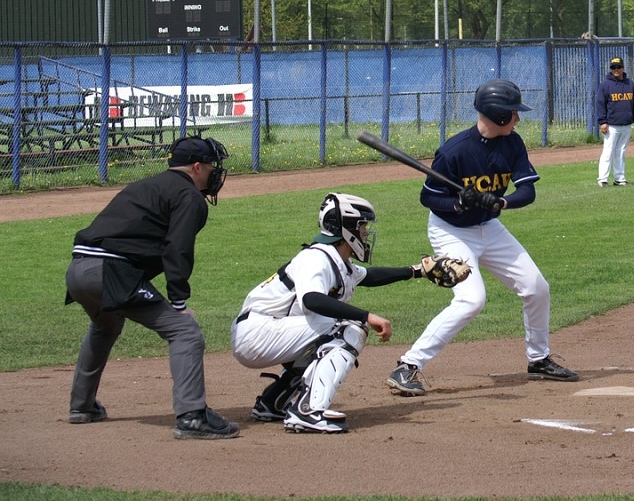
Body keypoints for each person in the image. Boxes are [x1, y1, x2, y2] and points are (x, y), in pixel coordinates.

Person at [386, 78, 578, 396]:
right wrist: (458, 203)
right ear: (499, 114)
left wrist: (501, 202)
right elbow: (429, 198)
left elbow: (527, 191)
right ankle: (408, 365)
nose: (518, 118)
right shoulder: (454, 151)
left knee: (536, 287)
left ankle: (539, 359)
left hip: (489, 227)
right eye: (513, 113)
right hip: (451, 231)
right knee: (471, 299)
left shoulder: (513, 144)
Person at [232, 192, 458, 433]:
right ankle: (308, 411)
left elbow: (369, 276)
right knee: (348, 329)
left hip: (266, 331)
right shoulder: (315, 258)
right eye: (362, 227)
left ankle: (273, 402)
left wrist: (416, 271)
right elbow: (311, 299)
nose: (365, 233)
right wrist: (366, 316)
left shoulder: (337, 260)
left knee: (327, 336)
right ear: (347, 228)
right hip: (258, 333)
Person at [64, 135, 238, 440]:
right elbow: (177, 249)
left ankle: (82, 406)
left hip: (78, 270)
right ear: (197, 167)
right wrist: (179, 303)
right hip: (109, 272)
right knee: (185, 331)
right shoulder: (189, 197)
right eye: (211, 166)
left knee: (105, 327)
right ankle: (192, 416)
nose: (215, 172)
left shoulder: (146, 185)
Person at [595, 56, 634, 187]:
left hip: (626, 124)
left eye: (618, 67)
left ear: (623, 68)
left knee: (621, 151)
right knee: (608, 151)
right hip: (612, 125)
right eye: (613, 67)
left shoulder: (630, 84)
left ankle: (619, 178)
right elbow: (600, 104)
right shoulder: (605, 85)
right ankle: (603, 179)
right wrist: (602, 122)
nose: (616, 69)